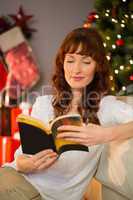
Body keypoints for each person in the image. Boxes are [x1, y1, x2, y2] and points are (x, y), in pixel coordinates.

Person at [0, 27, 133, 200]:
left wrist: (105, 134)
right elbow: (20, 160)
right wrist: (29, 164)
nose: (76, 69)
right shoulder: (44, 103)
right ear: (62, 64)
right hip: (19, 179)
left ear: (97, 67)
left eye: (86, 62)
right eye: (70, 61)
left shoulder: (106, 106)